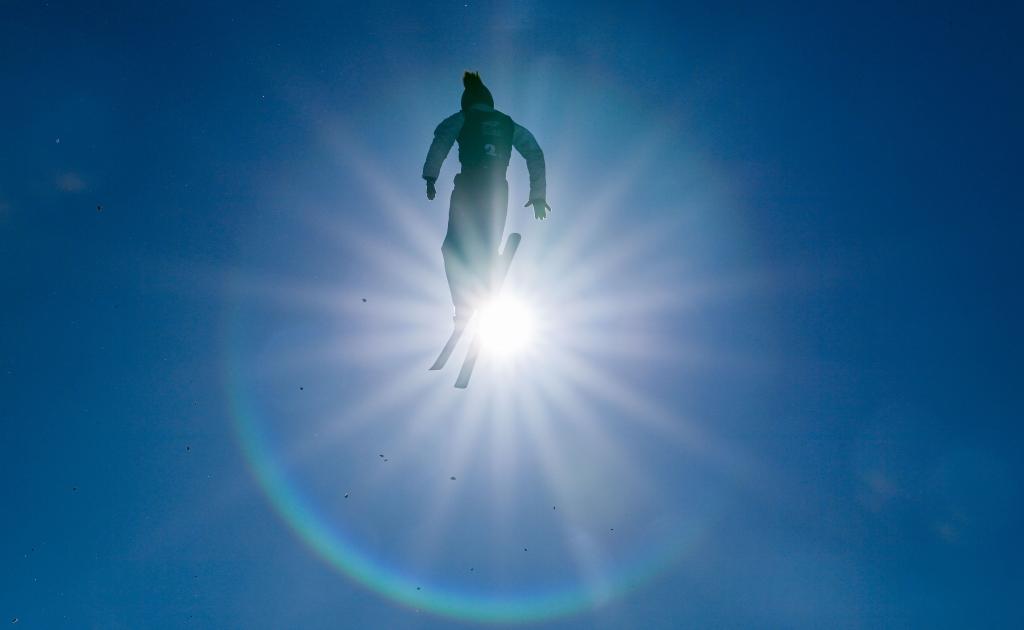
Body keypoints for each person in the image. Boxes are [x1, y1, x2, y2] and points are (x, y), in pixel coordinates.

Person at [423, 71, 550, 327]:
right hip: (497, 190)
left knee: (452, 248)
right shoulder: (508, 124)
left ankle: (464, 304)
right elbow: (534, 152)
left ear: (467, 102)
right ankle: (487, 273)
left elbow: (442, 140)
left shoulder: (463, 117)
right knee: (485, 242)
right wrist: (537, 195)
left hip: (468, 186)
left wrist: (430, 176)